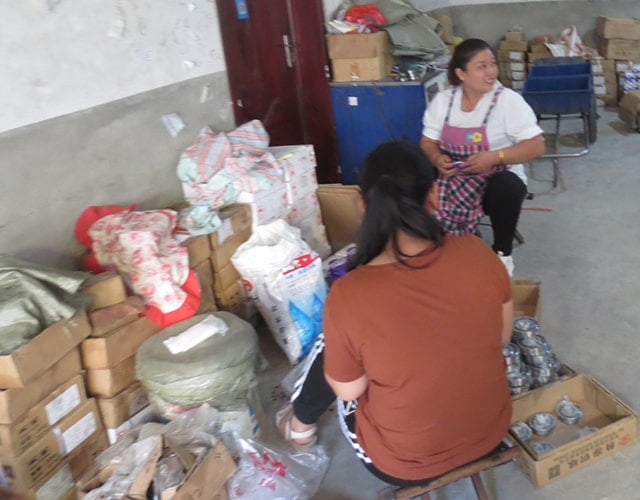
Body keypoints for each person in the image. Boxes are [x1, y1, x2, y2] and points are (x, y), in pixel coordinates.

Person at [276, 140, 513, 487]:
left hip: (403, 463)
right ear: (434, 194)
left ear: (362, 205)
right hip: (491, 432)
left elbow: (348, 391)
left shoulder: (349, 294)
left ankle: (299, 426)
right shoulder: (478, 252)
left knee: (333, 348)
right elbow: (502, 336)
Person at [420, 38, 545, 277]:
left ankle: (502, 252)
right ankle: (448, 243)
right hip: (453, 176)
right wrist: (437, 158)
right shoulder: (444, 101)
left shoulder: (507, 101)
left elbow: (537, 146)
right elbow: (427, 142)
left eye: (492, 64)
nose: (491, 72)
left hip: (495, 175)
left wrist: (495, 157)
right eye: (481, 66)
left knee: (507, 187)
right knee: (413, 174)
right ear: (461, 73)